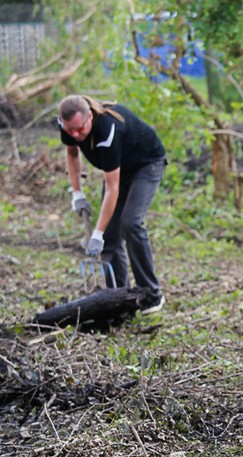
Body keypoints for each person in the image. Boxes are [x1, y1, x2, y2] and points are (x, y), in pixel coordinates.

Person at [58, 95, 166, 313]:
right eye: (70, 130)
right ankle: (118, 298)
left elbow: (112, 188)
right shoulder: (67, 124)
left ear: (90, 116)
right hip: (119, 169)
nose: (75, 135)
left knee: (131, 222)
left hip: (146, 165)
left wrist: (97, 233)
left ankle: (152, 294)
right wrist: (77, 193)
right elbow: (72, 154)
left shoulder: (107, 130)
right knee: (110, 235)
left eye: (79, 129)